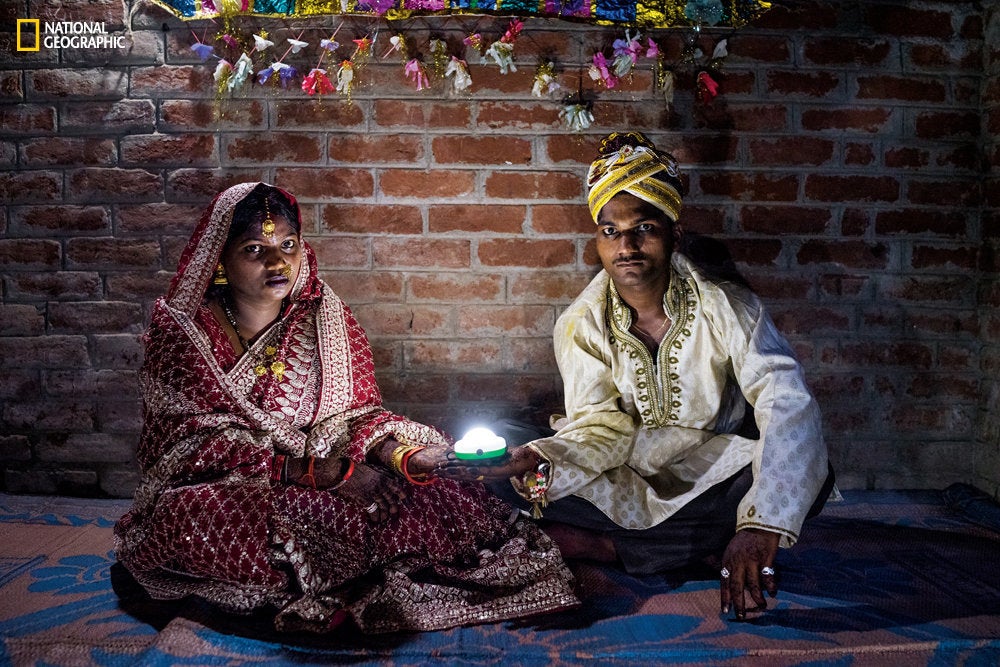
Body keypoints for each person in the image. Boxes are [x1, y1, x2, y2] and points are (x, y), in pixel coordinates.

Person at [113, 182, 578, 634]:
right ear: (219, 259)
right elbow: (187, 446)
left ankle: (327, 581)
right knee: (209, 515)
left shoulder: (324, 317)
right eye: (255, 249)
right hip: (224, 485)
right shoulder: (184, 333)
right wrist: (322, 474)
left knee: (427, 485)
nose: (279, 262)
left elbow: (354, 418)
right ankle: (316, 583)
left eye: (289, 244)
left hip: (333, 467)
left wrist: (407, 457)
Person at [443, 132, 834, 621]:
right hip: (620, 470)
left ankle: (609, 547)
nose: (625, 245)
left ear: (675, 235)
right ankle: (672, 550)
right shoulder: (581, 323)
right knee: (506, 454)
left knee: (805, 472)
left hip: (709, 471)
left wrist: (758, 526)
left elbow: (786, 401)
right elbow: (599, 429)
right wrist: (536, 457)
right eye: (610, 231)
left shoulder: (729, 308)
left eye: (643, 227)